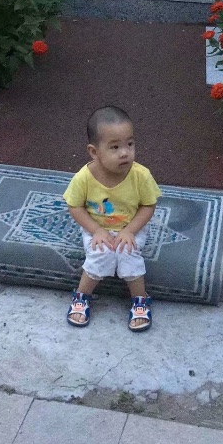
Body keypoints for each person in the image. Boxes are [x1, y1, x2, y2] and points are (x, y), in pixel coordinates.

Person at [64, 105, 161, 332]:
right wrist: (96, 230)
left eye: (130, 144)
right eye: (115, 147)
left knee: (128, 252)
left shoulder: (141, 175)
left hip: (131, 225)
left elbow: (148, 205)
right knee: (101, 253)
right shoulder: (84, 178)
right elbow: (75, 206)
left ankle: (140, 299)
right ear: (94, 152)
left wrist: (130, 231)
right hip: (96, 226)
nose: (125, 152)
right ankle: (81, 296)